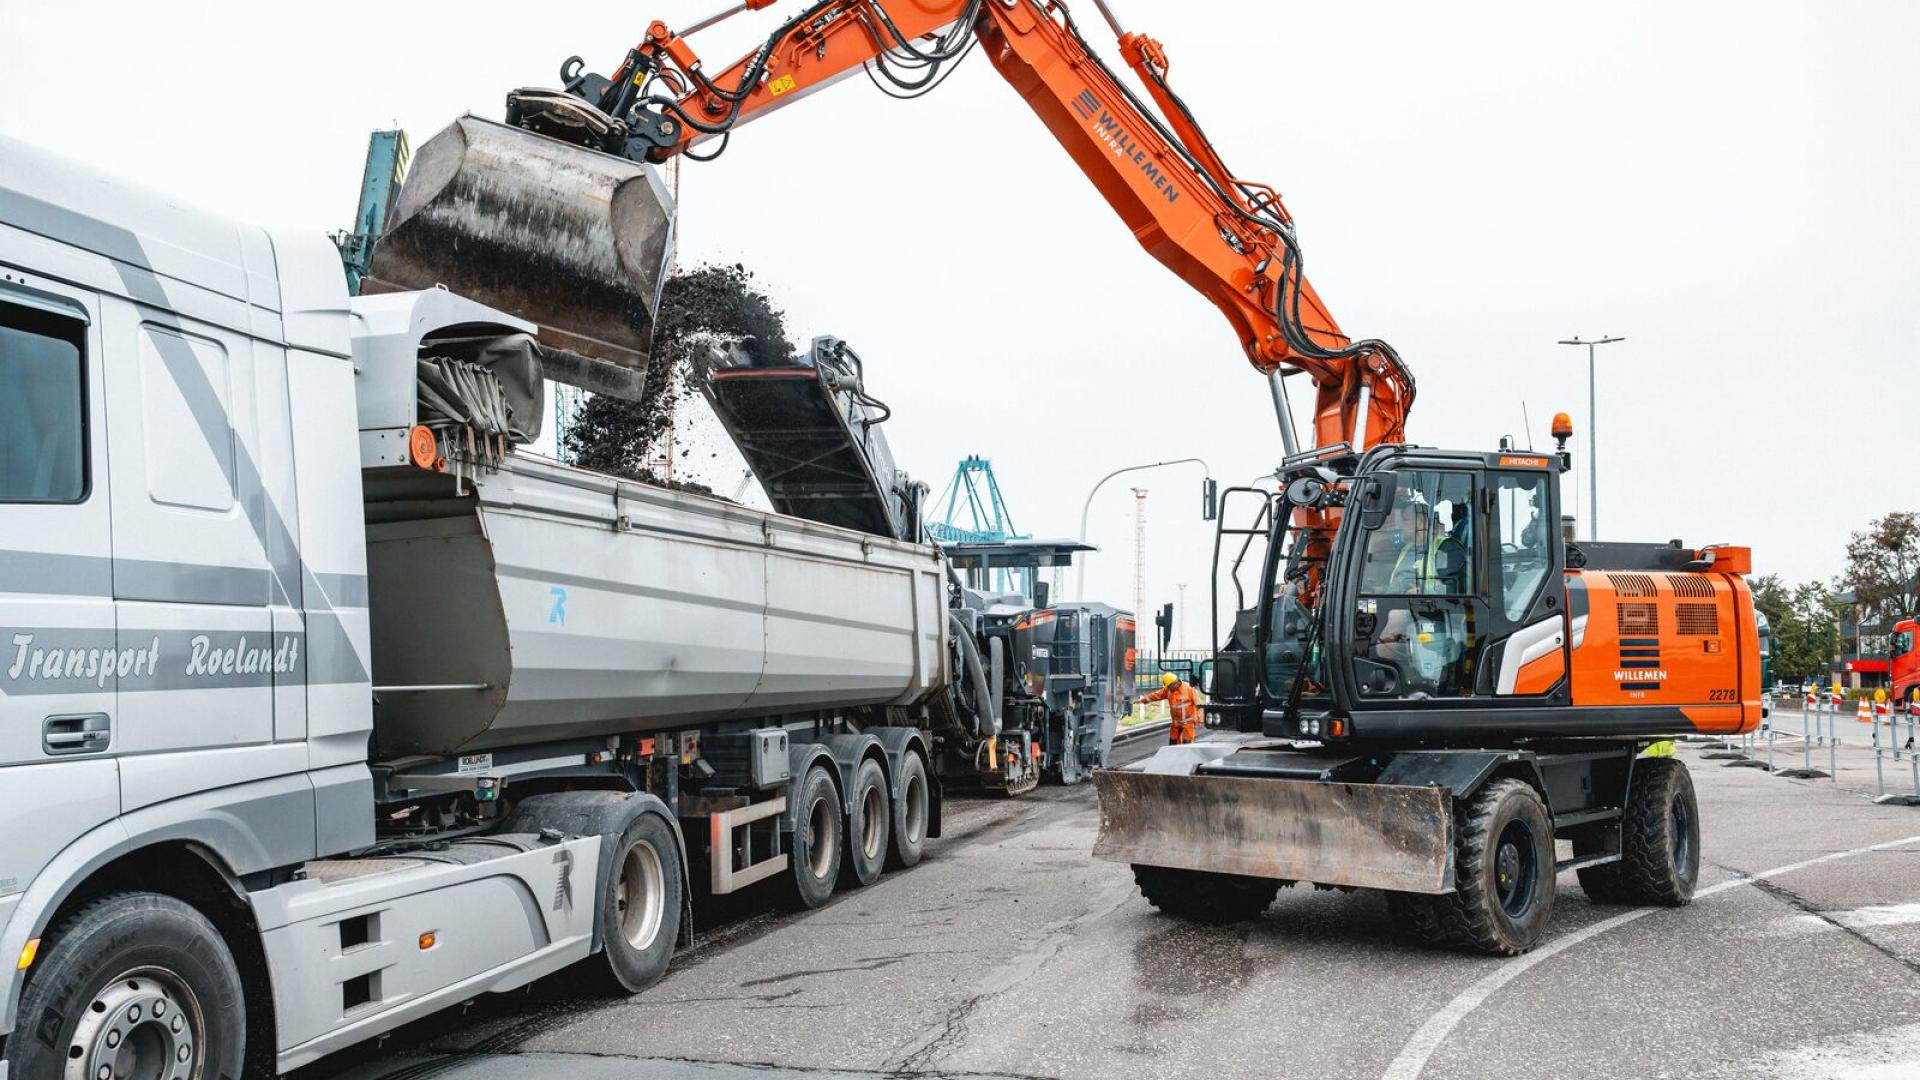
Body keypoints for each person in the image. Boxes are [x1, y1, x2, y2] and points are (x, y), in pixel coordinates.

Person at [1141, 672, 1203, 745]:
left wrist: (1201, 720)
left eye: (1169, 686)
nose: (1167, 688)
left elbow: (1199, 705)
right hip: (1176, 724)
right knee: (1172, 743)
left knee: (1187, 744)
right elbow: (1156, 695)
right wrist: (1143, 700)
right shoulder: (1168, 689)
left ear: (1175, 683)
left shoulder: (1189, 689)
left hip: (1188, 723)